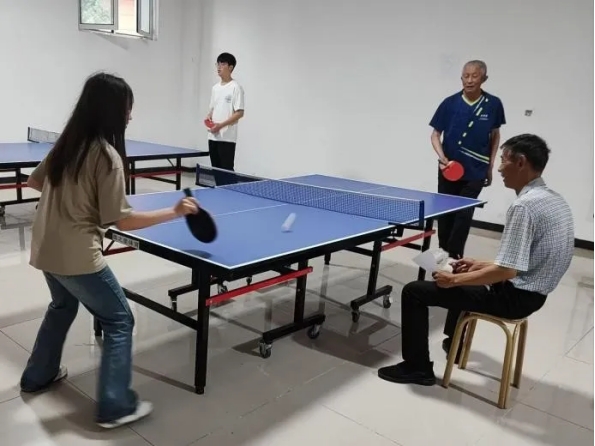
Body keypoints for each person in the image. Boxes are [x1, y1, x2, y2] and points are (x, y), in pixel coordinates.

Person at [19, 72, 200, 428]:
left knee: (62, 306)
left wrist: (69, 201)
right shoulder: (106, 156)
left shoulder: (68, 145)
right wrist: (175, 211)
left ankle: (37, 375)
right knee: (119, 319)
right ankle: (115, 406)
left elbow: (34, 181)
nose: (130, 115)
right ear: (112, 109)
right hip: (77, 256)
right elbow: (122, 220)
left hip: (45, 249)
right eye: (127, 107)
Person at [377, 134, 575, 386]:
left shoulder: (524, 206)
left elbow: (507, 271)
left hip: (515, 298)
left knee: (414, 292)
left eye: (503, 160)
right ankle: (455, 344)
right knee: (462, 276)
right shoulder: (554, 200)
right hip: (535, 294)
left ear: (521, 162)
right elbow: (525, 262)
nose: (499, 168)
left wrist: (454, 280)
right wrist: (478, 265)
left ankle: (417, 368)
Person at [430, 60, 506, 260]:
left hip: (476, 170)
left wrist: (490, 166)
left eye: (475, 76)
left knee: (463, 214)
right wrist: (442, 158)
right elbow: (435, 135)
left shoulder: (494, 104)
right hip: (449, 168)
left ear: (484, 79)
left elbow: (495, 135)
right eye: (466, 76)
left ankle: (454, 257)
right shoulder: (449, 103)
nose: (470, 80)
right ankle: (443, 254)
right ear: (461, 78)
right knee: (445, 213)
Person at [205, 52, 245, 173]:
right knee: (216, 171)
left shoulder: (236, 87)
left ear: (230, 67)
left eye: (222, 64)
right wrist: (209, 117)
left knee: (226, 172)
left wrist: (221, 125)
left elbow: (239, 112)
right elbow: (212, 109)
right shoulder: (215, 88)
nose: (219, 67)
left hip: (227, 138)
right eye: (218, 64)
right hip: (213, 136)